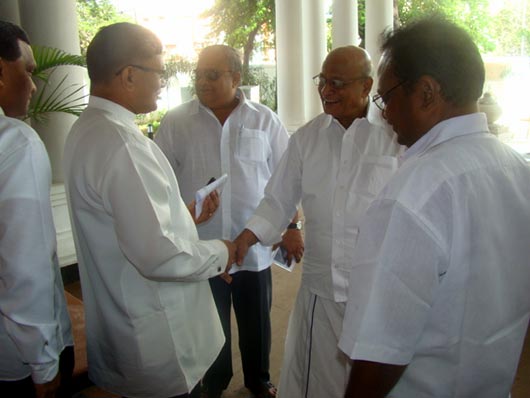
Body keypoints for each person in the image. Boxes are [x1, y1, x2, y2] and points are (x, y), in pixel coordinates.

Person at [339, 17, 530, 398]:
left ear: (426, 93)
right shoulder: (517, 169)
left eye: (387, 97)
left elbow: (379, 355)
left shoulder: (413, 196)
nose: (384, 113)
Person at [63, 23, 236, 398]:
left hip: (123, 323)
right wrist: (223, 252)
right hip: (157, 337)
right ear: (128, 76)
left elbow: (125, 225)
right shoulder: (121, 143)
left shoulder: (87, 130)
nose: (163, 82)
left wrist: (184, 218)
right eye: (159, 71)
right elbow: (158, 255)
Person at [235, 45, 403, 397]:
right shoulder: (307, 138)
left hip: (375, 292)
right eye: (323, 80)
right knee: (315, 381)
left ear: (366, 86)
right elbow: (277, 199)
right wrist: (245, 240)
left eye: (338, 83)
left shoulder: (394, 137)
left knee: (371, 383)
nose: (327, 90)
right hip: (320, 291)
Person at [155, 44, 298, 398]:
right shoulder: (176, 122)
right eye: (199, 74)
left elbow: (286, 179)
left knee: (257, 323)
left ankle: (258, 380)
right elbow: (158, 182)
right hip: (202, 248)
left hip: (254, 246)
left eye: (213, 74)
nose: (203, 81)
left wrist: (292, 227)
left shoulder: (265, 119)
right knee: (208, 324)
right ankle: (214, 382)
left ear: (236, 77)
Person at [0, 20, 74, 398]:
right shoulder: (16, 144)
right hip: (15, 360)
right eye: (27, 71)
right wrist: (44, 363)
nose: (32, 85)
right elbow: (25, 265)